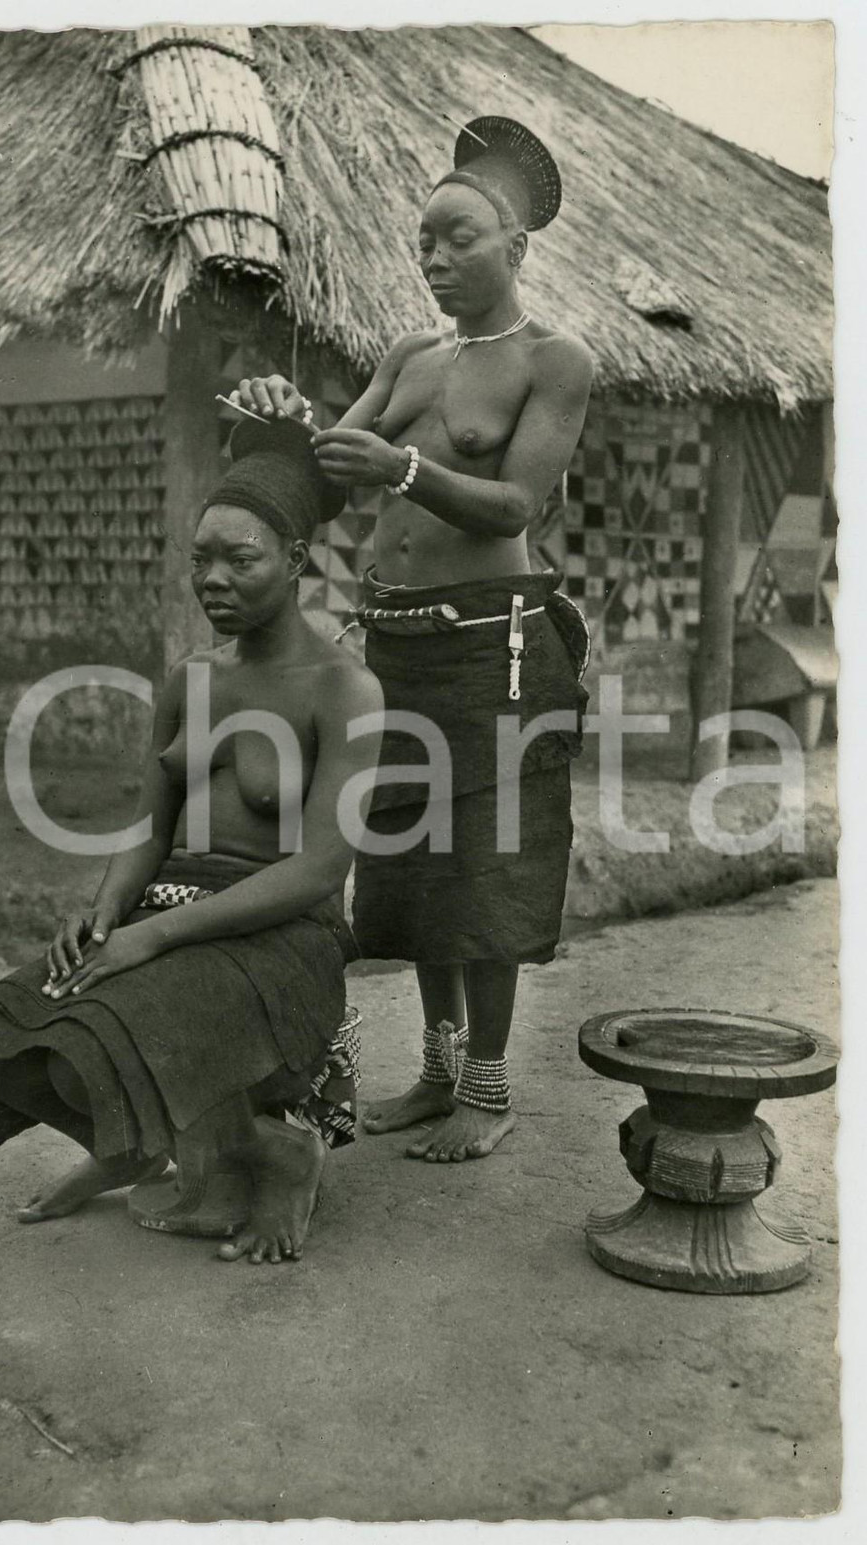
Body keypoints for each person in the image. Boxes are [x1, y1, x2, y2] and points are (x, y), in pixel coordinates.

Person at [0, 417, 384, 1264]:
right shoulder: (193, 677)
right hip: (164, 906)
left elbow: (324, 865)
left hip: (281, 940)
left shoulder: (344, 689)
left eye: (238, 560)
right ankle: (139, 1144)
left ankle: (277, 1154)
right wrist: (106, 908)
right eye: (200, 560)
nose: (212, 579)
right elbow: (151, 824)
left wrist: (153, 933)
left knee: (118, 1022)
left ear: (293, 562)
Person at [231, 115, 592, 1165]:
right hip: (392, 646)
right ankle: (434, 1072)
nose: (432, 258)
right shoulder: (409, 355)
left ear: (515, 247)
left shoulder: (554, 359)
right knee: (409, 860)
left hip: (494, 647)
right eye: (423, 240)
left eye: (458, 237)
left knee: (484, 865)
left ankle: (487, 1086)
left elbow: (514, 501)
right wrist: (284, 417)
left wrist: (401, 472)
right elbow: (334, 465)